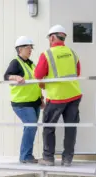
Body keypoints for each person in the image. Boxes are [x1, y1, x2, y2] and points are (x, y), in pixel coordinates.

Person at [34, 25, 82, 167]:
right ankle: (67, 159)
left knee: (49, 127)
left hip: (56, 97)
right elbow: (77, 73)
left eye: (49, 38)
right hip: (74, 95)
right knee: (71, 127)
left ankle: (48, 158)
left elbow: (38, 75)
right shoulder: (73, 53)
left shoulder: (47, 54)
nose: (49, 40)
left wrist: (43, 84)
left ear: (53, 37)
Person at [4, 36, 45, 164]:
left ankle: (27, 155)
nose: (30, 50)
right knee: (31, 125)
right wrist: (15, 77)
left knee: (31, 127)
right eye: (28, 48)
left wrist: (41, 98)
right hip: (21, 103)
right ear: (20, 49)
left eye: (31, 48)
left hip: (34, 102)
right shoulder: (15, 62)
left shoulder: (31, 64)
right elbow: (6, 76)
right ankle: (25, 156)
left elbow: (35, 83)